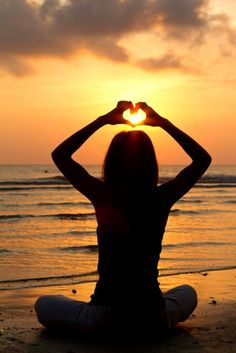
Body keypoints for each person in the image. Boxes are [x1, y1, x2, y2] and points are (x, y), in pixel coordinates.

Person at [35, 101, 211, 338]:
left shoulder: (103, 196)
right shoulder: (161, 197)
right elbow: (202, 160)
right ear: (151, 164)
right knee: (188, 292)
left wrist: (102, 120)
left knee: (43, 304)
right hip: (153, 318)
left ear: (112, 162)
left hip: (104, 319)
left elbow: (60, 155)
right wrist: (163, 123)